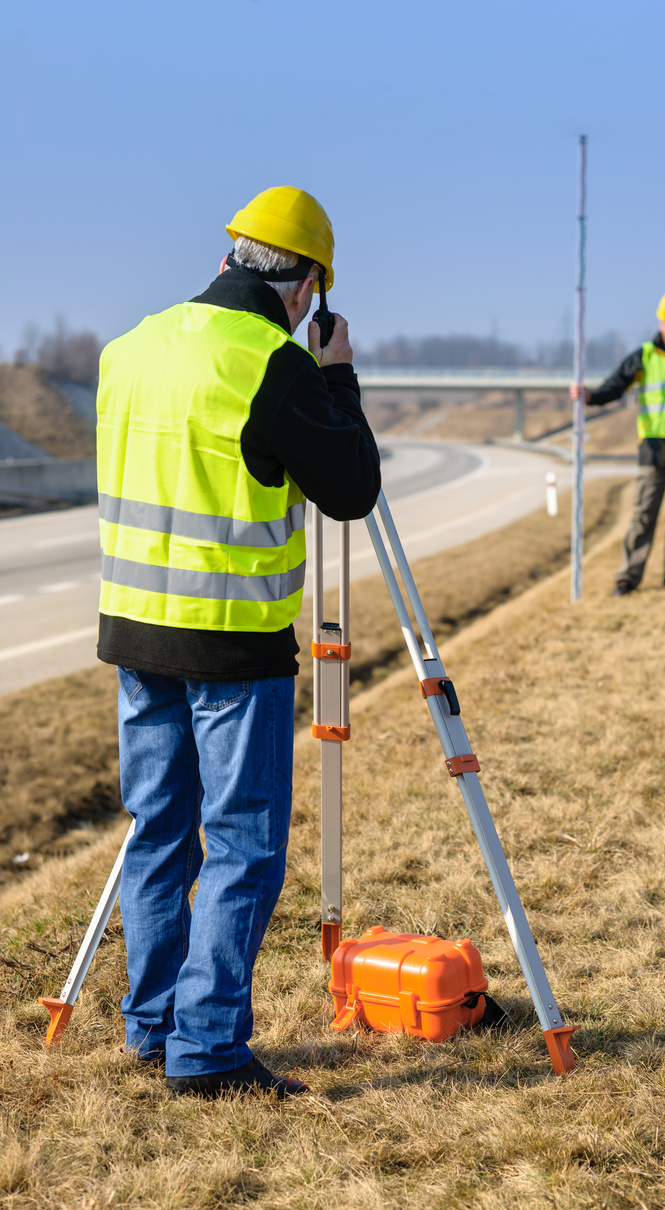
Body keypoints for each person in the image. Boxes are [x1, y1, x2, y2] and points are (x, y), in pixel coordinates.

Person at [95, 187, 381, 1098]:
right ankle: (208, 1047)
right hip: (231, 647)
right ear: (305, 288)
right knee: (243, 846)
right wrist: (334, 377)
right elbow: (349, 487)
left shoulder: (128, 347)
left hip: (136, 635)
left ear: (231, 256)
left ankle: (151, 1027)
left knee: (159, 832)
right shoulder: (270, 363)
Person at [570, 292, 665, 594]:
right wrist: (590, 396)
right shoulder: (645, 356)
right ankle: (628, 578)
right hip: (654, 450)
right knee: (643, 515)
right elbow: (616, 386)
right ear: (660, 322)